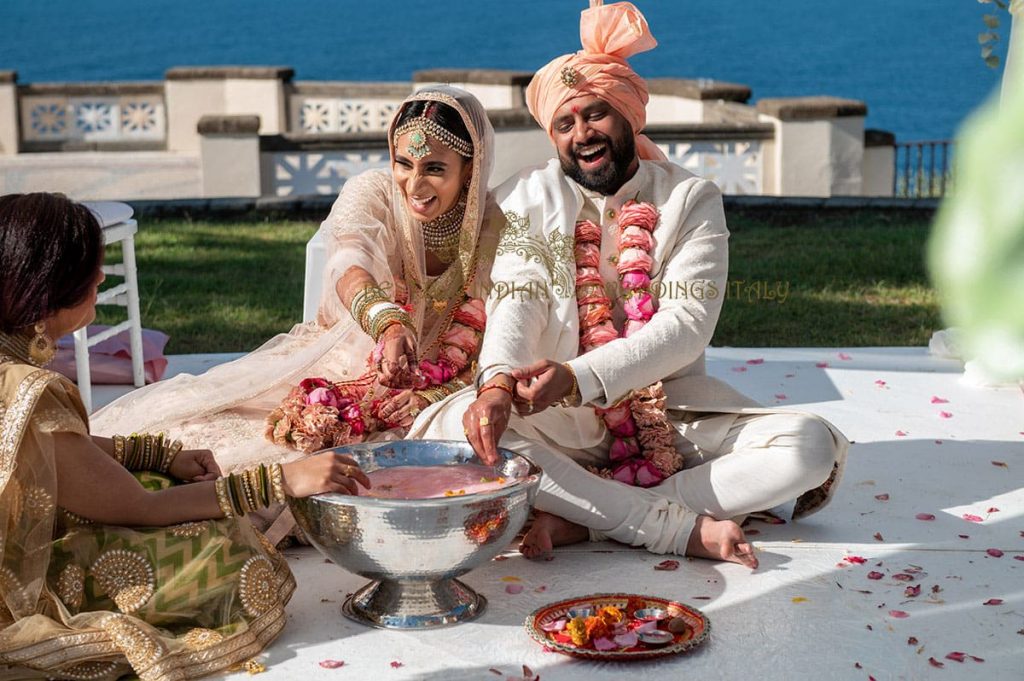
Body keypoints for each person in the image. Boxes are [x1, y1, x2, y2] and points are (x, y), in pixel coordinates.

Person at [409, 0, 849, 567]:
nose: (582, 134)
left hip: (666, 418)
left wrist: (578, 376)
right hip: (547, 418)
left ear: (627, 116)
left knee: (807, 449)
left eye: (596, 114)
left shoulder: (690, 199)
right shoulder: (528, 195)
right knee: (458, 428)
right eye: (564, 124)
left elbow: (687, 327)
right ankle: (671, 527)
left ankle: (585, 520)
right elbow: (519, 296)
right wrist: (495, 384)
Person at [91, 87, 499, 542]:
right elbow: (350, 261)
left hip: (445, 388)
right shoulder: (372, 191)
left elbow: (502, 332)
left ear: (470, 169)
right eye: (404, 163)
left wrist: (435, 392)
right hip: (344, 356)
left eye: (435, 169)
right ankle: (127, 493)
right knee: (219, 436)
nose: (415, 184)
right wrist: (387, 322)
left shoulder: (493, 229)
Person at [0, 192, 373, 680]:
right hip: (19, 581)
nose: (98, 279)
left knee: (166, 484)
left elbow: (50, 449)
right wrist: (282, 480)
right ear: (48, 290)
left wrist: (156, 454)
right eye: (91, 271)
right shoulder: (26, 388)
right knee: (223, 555)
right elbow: (140, 508)